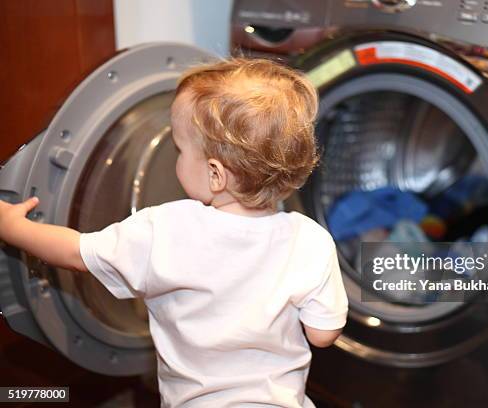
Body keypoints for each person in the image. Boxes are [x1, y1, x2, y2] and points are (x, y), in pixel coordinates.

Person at [0, 58, 349, 407]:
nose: (176, 159)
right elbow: (321, 335)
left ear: (216, 175)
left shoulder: (165, 229)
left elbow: (76, 254)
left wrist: (15, 228)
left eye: (180, 149)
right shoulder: (311, 239)